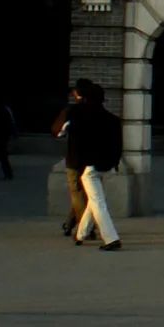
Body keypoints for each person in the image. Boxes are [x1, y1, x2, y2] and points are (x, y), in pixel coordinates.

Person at [71, 83, 122, 251]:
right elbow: (118, 146)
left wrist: (79, 165)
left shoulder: (81, 118)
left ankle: (111, 238)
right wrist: (115, 163)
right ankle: (81, 234)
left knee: (97, 202)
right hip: (107, 166)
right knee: (95, 200)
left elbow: (77, 145)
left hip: (89, 167)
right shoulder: (113, 120)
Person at [52, 78, 92, 236]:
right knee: (86, 193)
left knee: (76, 192)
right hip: (93, 158)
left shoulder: (71, 111)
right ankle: (70, 223)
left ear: (77, 93)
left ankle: (85, 227)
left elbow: (56, 131)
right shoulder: (97, 110)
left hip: (75, 157)